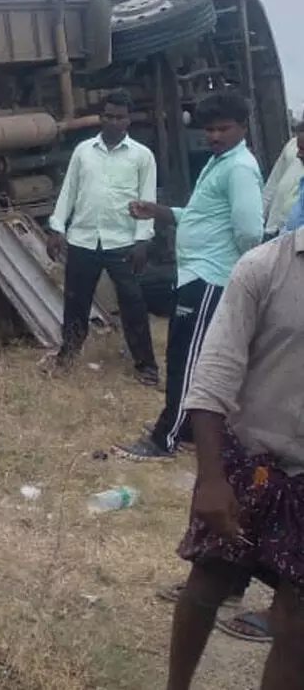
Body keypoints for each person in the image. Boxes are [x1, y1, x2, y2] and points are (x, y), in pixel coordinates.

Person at [161, 225, 304, 690]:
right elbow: (215, 373)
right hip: (252, 462)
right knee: (208, 581)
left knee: (296, 622)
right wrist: (211, 478)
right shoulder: (264, 267)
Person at [116, 92, 264, 461]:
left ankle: (165, 439)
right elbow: (202, 215)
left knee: (187, 359)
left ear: (242, 128)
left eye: (223, 129)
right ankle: (185, 428)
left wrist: (243, 273)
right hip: (196, 273)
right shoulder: (219, 163)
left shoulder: (239, 168)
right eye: (209, 129)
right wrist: (160, 212)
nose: (214, 136)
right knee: (185, 354)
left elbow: (249, 231)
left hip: (212, 278)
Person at [44, 90, 159, 384]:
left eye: (119, 117)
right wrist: (57, 227)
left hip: (122, 242)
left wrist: (143, 241)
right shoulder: (83, 151)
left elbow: (146, 200)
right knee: (75, 303)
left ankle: (146, 366)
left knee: (133, 302)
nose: (112, 122)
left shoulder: (142, 156)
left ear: (128, 120)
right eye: (107, 116)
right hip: (83, 240)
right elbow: (69, 191)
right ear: (101, 117)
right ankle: (67, 357)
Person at [261, 121, 304, 240]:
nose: (299, 155)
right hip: (272, 228)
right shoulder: (293, 145)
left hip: (295, 237)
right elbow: (273, 183)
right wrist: (260, 218)